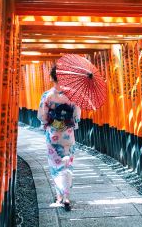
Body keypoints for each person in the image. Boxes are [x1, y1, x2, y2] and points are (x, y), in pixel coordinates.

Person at [37, 65, 81, 211]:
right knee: (67, 164)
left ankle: (59, 197)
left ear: (52, 77)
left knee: (55, 166)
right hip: (68, 135)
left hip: (53, 136)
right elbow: (76, 116)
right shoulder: (72, 95)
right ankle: (66, 196)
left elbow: (43, 117)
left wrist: (49, 122)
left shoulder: (47, 96)